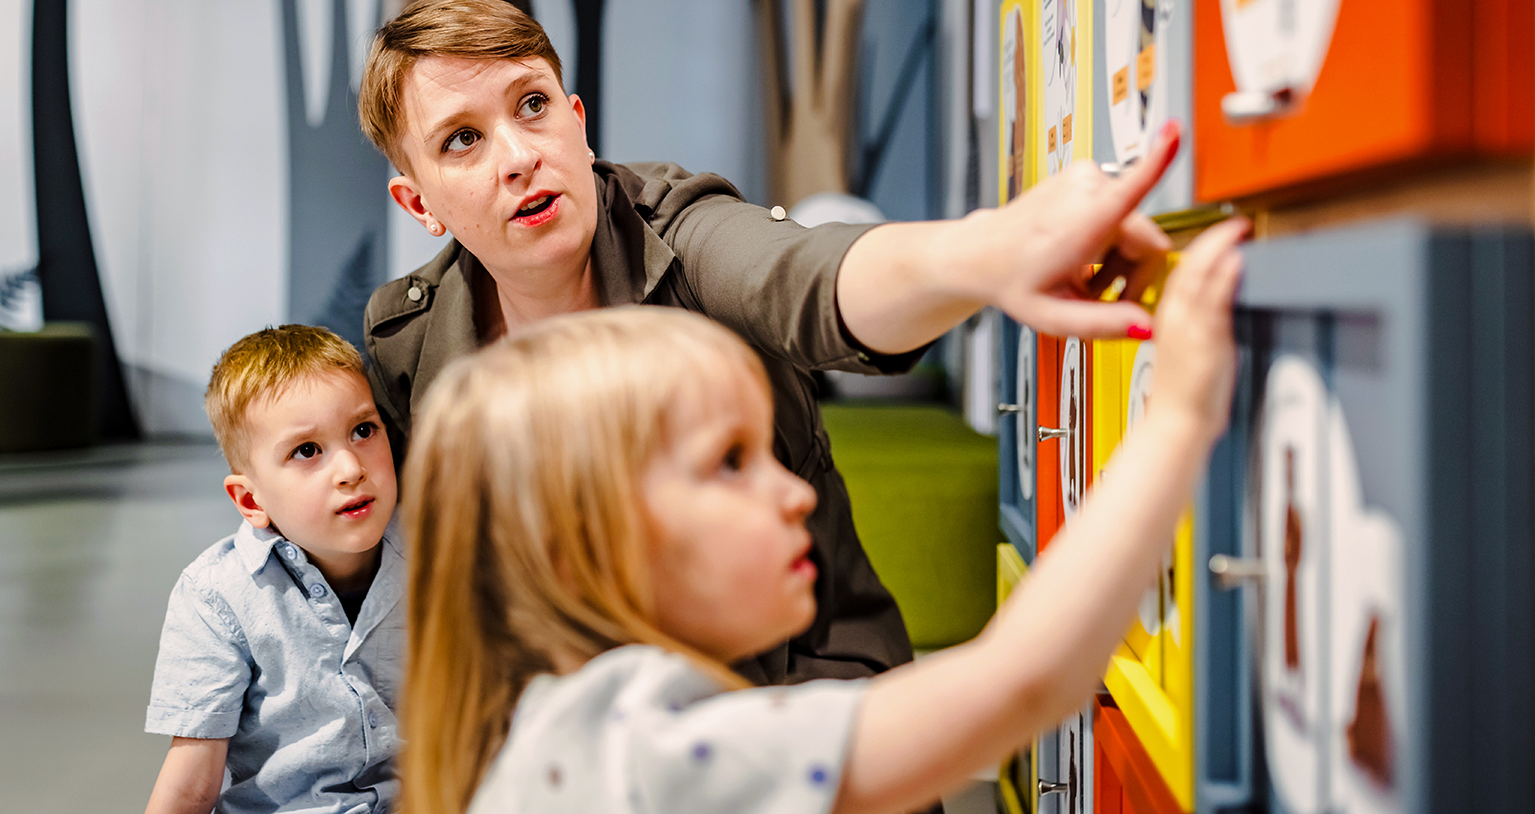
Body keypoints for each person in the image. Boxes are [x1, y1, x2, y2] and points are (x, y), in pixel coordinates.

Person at [358, 0, 1176, 686]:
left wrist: (989, 253)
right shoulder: (412, 341)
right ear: (418, 203)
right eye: (461, 139)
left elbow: (808, 276)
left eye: (531, 105)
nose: (518, 157)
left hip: (788, 697)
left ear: (577, 122)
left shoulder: (680, 234)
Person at [400, 215, 1247, 814]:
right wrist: (1178, 417)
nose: (797, 494)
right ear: (582, 541)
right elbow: (1021, 681)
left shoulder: (560, 730)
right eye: (730, 463)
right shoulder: (639, 748)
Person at [143, 326, 405, 814]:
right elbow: (190, 787)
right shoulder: (214, 597)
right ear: (250, 499)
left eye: (363, 430)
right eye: (306, 450)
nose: (350, 467)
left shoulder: (441, 559)